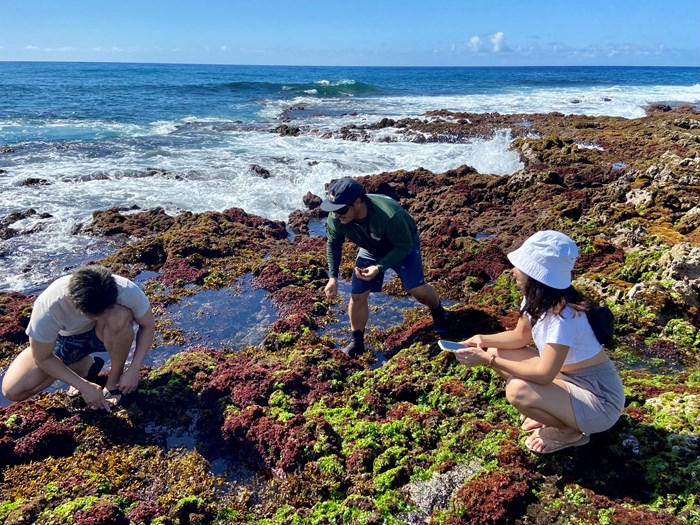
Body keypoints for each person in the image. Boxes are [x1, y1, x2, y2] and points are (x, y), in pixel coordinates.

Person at [452, 230, 625, 454]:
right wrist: (481, 340)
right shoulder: (537, 298)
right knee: (499, 349)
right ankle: (555, 411)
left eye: (519, 265)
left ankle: (568, 431)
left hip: (600, 400)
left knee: (518, 390)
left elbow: (544, 375)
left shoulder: (563, 316)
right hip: (569, 381)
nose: (513, 271)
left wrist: (488, 360)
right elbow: (519, 337)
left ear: (535, 273)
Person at [321, 177, 448, 356]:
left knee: (416, 289)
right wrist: (332, 277)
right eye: (333, 210)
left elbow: (404, 245)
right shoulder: (336, 218)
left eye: (341, 209)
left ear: (358, 202)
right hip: (371, 247)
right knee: (357, 295)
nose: (336, 215)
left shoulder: (388, 215)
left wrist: (379, 267)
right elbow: (333, 243)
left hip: (401, 244)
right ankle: (357, 343)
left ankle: (438, 312)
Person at [2, 266, 155, 411]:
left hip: (106, 335)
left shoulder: (125, 289)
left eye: (104, 310)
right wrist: (82, 385)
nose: (100, 315)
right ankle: (82, 366)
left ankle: (114, 379)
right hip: (65, 342)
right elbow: (42, 357)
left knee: (118, 315)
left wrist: (134, 368)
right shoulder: (49, 307)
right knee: (13, 390)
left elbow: (147, 325)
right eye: (95, 314)